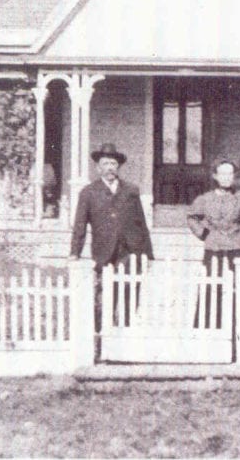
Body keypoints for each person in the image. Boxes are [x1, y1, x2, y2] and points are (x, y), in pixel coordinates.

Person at [69, 142, 154, 345]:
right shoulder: (88, 193)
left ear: (118, 167)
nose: (109, 168)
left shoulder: (131, 191)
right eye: (105, 163)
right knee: (104, 296)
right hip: (104, 252)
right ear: (98, 167)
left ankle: (125, 340)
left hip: (130, 251)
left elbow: (141, 222)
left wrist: (148, 254)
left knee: (129, 294)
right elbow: (80, 225)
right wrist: (75, 252)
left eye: (113, 164)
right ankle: (100, 339)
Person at [187, 159, 240, 334]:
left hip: (235, 247)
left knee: (238, 289)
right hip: (213, 249)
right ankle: (208, 331)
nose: (226, 178)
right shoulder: (205, 199)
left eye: (230, 174)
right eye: (222, 174)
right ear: (215, 176)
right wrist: (204, 234)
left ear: (234, 177)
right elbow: (192, 217)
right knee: (211, 287)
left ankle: (239, 331)